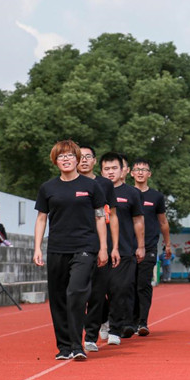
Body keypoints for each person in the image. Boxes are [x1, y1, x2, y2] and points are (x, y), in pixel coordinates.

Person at [33, 140, 108, 360]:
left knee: (76, 292)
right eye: (61, 156)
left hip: (84, 247)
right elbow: (41, 218)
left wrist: (103, 248)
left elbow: (100, 217)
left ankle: (77, 345)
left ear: (77, 159)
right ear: (55, 161)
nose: (65, 159)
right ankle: (64, 347)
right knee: (58, 298)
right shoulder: (48, 188)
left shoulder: (91, 186)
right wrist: (37, 247)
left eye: (69, 156)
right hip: (57, 248)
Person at [78, 145, 120, 353]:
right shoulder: (66, 184)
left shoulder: (104, 184)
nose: (84, 160)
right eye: (80, 156)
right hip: (76, 244)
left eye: (88, 157)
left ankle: (91, 335)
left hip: (100, 244)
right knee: (78, 292)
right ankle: (77, 331)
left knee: (97, 291)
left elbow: (112, 216)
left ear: (95, 161)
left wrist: (114, 246)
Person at [100, 152, 145, 345]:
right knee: (97, 291)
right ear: (101, 171)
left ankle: (115, 328)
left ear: (123, 170)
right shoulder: (96, 190)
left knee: (120, 289)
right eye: (106, 169)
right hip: (99, 249)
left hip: (125, 249)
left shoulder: (132, 193)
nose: (110, 172)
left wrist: (141, 246)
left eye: (114, 168)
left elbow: (138, 221)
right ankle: (102, 318)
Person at [131, 158, 172, 336]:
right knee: (127, 285)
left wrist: (167, 244)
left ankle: (142, 322)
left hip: (149, 246)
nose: (140, 172)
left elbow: (163, 222)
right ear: (131, 173)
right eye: (137, 169)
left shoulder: (156, 197)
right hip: (127, 247)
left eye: (144, 170)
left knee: (143, 284)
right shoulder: (125, 193)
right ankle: (129, 320)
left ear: (149, 174)